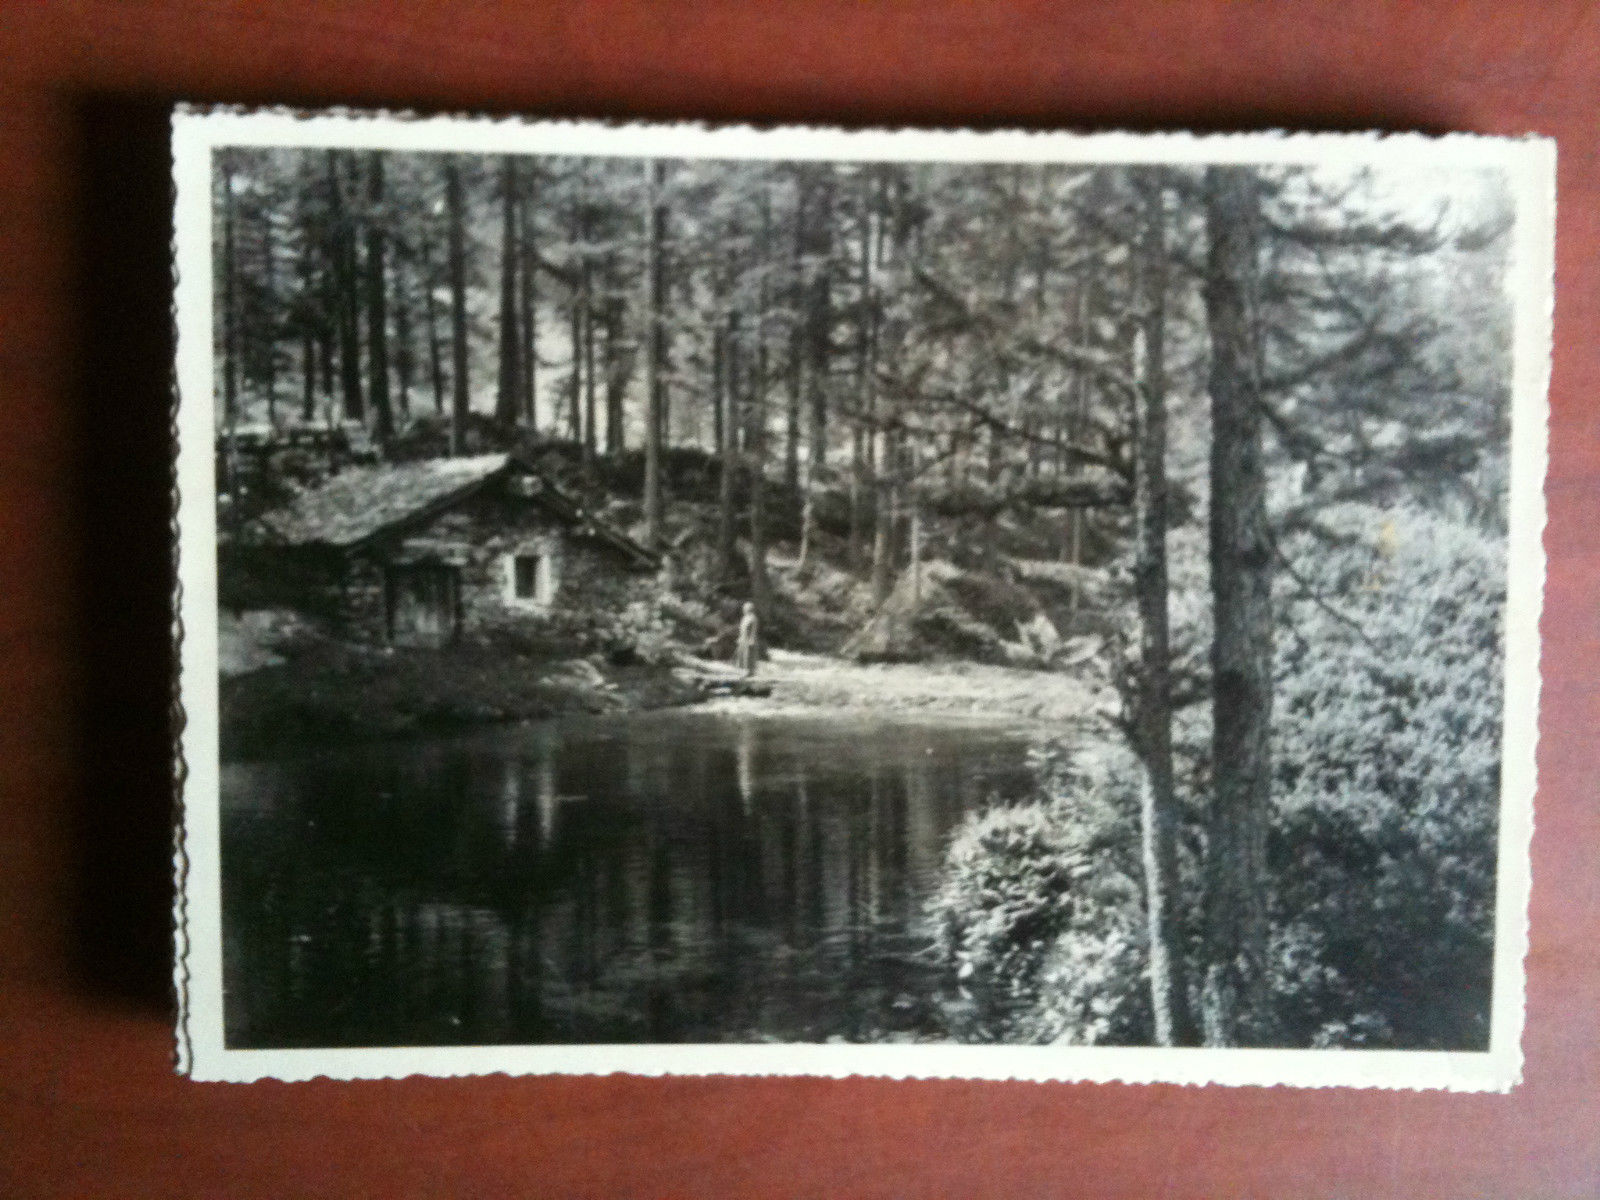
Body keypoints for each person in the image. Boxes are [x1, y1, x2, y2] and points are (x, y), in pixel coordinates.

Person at [734, 601, 759, 677]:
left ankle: (749, 673)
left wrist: (752, 640)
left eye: (745, 608)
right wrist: (739, 638)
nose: (743, 609)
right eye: (744, 608)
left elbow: (754, 630)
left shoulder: (753, 618)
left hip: (749, 640)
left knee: (748, 657)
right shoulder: (744, 617)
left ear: (749, 609)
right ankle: (740, 671)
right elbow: (742, 629)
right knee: (740, 656)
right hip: (742, 639)